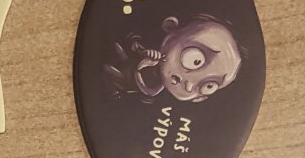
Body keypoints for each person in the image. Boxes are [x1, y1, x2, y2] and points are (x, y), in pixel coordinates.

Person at [102, 14, 244, 103]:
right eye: (195, 60)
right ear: (170, 28)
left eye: (208, 86)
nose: (189, 85)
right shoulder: (141, 40)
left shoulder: (156, 93)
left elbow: (147, 91)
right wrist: (141, 51)